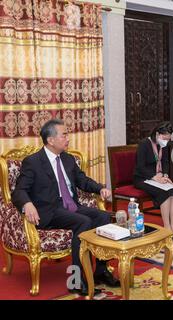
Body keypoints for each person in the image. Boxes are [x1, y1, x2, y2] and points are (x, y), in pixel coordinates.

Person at [12, 119, 120, 296]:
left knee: (104, 217)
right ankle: (76, 280)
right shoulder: (33, 162)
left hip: (70, 206)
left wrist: (100, 188)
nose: (68, 138)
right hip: (49, 211)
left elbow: (82, 180)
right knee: (83, 222)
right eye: (64, 135)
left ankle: (101, 271)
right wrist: (27, 204)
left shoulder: (68, 159)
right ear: (51, 140)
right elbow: (19, 190)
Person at [133, 121, 173, 241]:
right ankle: (166, 228)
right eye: (164, 138)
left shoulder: (163, 145)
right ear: (157, 134)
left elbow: (165, 162)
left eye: (168, 139)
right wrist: (154, 177)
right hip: (143, 178)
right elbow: (140, 167)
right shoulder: (144, 144)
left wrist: (165, 175)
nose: (166, 141)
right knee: (164, 193)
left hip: (158, 177)